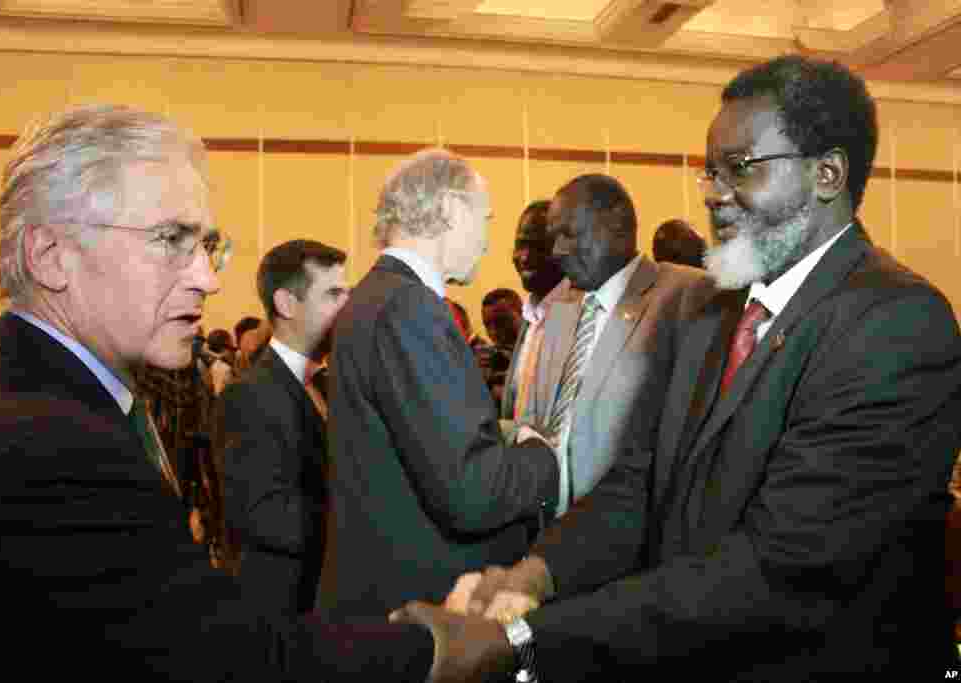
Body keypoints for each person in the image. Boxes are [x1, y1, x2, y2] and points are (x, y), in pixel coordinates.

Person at [392, 55, 961, 681]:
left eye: (740, 168)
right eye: (711, 170)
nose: (713, 193)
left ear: (826, 174)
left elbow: (782, 571)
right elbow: (638, 483)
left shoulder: (896, 323)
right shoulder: (709, 311)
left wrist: (524, 641)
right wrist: (534, 573)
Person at [0, 104, 435, 681]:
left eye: (207, 245)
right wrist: (439, 649)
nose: (207, 277)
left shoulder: (44, 389)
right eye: (170, 239)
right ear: (51, 256)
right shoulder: (40, 440)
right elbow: (223, 662)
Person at [316, 148, 561, 617]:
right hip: (418, 607)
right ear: (450, 211)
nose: (489, 241)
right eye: (486, 218)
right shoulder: (409, 308)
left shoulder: (375, 297)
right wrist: (544, 454)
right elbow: (472, 493)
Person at [522, 174, 711, 516]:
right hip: (546, 532)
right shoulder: (555, 305)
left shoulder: (686, 296)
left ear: (619, 226)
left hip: (633, 535)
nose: (557, 250)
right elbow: (535, 422)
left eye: (570, 234)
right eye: (554, 238)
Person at [218, 239, 348, 615]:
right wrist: (359, 521)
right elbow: (263, 513)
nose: (346, 307)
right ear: (287, 304)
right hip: (284, 607)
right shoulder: (249, 395)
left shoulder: (329, 382)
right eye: (332, 295)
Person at [500, 199, 566, 422]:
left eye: (537, 247)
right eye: (520, 245)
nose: (524, 257)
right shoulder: (529, 316)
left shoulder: (580, 316)